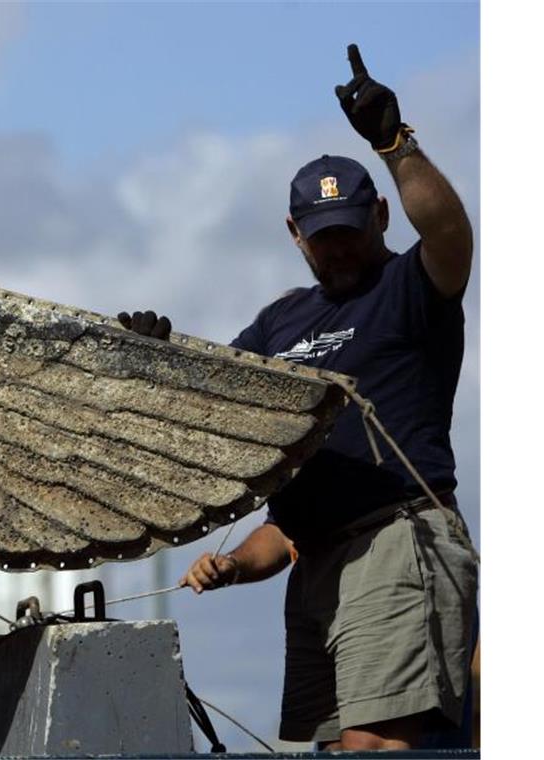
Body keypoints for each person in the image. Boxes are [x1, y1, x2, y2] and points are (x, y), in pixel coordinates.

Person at [118, 45, 477, 751]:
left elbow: (449, 232)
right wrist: (153, 360)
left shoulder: (410, 290)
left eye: (348, 234)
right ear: (294, 235)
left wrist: (393, 144)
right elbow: (247, 456)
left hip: (395, 542)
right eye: (322, 240)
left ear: (379, 217)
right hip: (315, 566)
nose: (338, 251)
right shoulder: (281, 321)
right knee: (334, 747)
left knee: (375, 745)